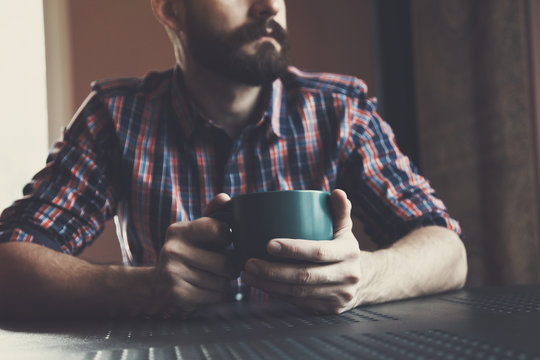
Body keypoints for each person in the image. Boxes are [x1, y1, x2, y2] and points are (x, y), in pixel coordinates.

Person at [0, 0, 467, 319]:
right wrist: (145, 287)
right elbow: (8, 264)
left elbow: (448, 251)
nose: (268, 5)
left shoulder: (340, 109)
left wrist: (364, 278)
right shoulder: (116, 117)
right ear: (170, 8)